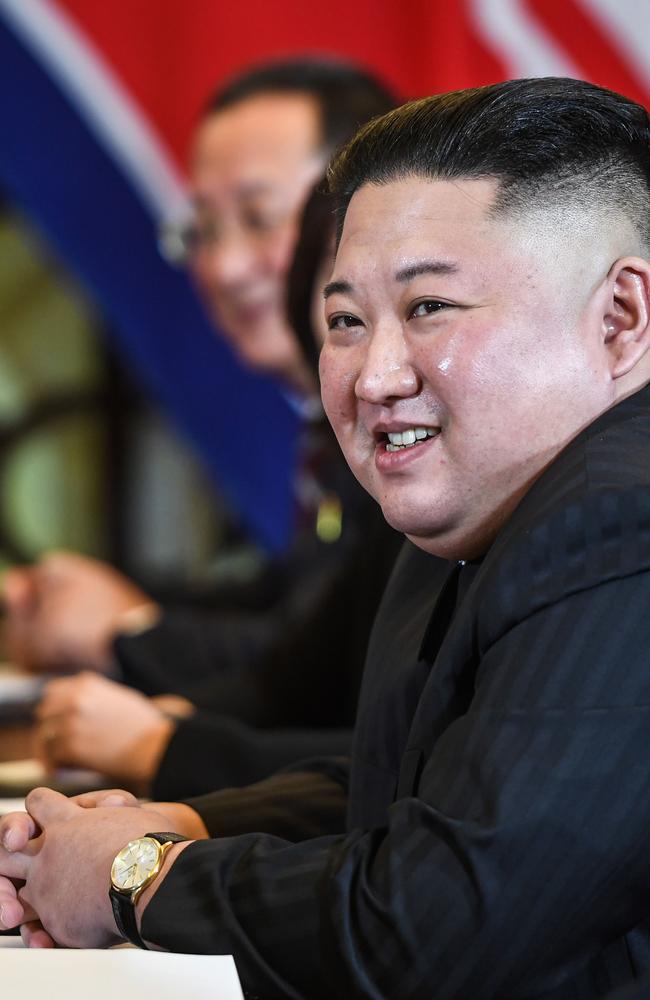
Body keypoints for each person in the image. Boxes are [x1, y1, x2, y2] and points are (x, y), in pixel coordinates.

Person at [2, 76, 650, 998]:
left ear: (620, 317)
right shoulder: (478, 503)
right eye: (345, 321)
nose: (374, 376)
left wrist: (137, 878)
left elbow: (442, 926)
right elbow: (408, 783)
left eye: (430, 308)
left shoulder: (621, 522)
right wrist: (176, 821)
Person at [1, 60, 400, 781]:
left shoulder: (411, 428)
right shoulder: (332, 432)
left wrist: (130, 638)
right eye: (204, 231)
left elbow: (363, 688)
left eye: (258, 218)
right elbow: (300, 626)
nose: (224, 267)